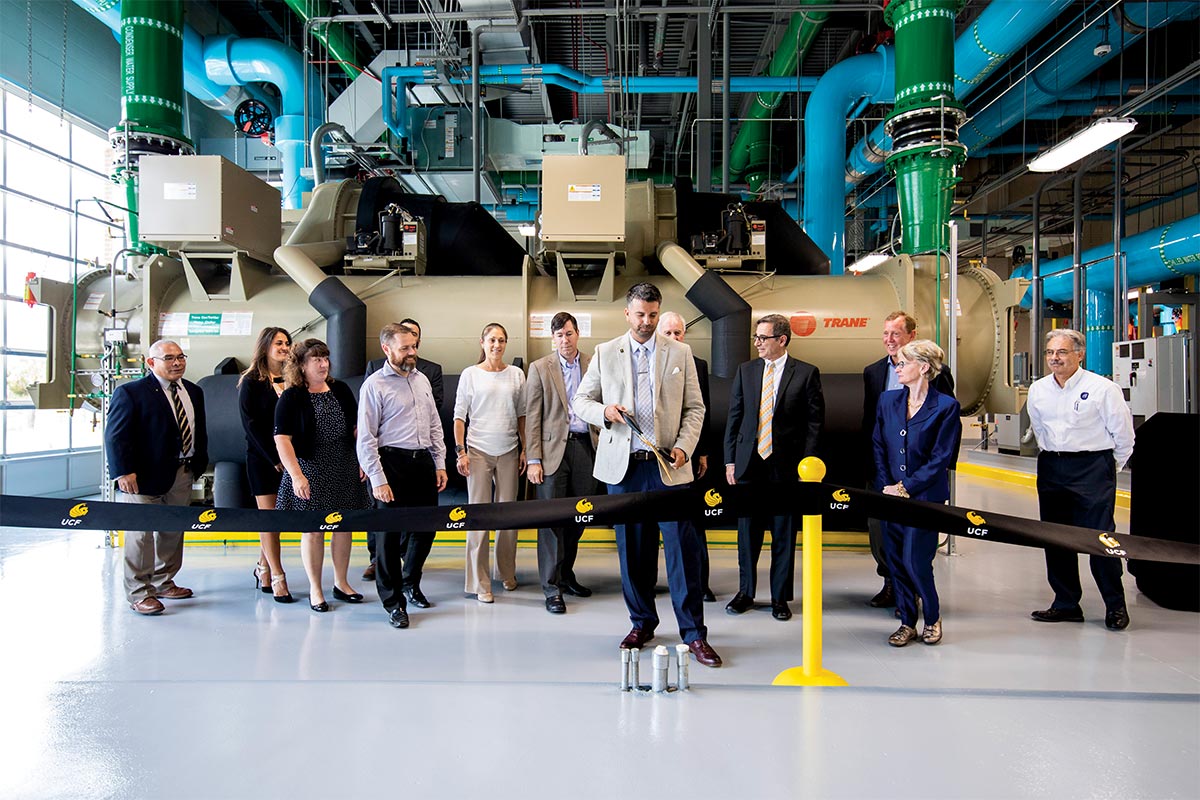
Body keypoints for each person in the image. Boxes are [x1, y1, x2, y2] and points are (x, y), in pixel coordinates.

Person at [572, 282, 721, 668]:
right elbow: (581, 401)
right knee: (633, 553)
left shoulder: (681, 352)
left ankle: (694, 635)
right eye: (640, 314)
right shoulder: (606, 353)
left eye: (653, 315)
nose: (646, 322)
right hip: (624, 471)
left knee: (682, 552)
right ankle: (642, 623)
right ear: (627, 313)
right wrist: (605, 412)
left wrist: (685, 447)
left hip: (669, 468)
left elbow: (695, 409)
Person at [1026, 329, 1135, 631]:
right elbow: (1039, 429)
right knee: (1055, 538)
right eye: (1050, 352)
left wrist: (1106, 468)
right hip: (1051, 466)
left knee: (1100, 539)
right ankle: (1066, 603)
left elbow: (1124, 436)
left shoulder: (1103, 389)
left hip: (1092, 468)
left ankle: (1115, 605)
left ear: (1079, 354)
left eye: (1061, 352)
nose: (1054, 358)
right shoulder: (1038, 390)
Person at [723, 313, 824, 621]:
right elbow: (735, 416)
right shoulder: (746, 371)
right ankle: (746, 592)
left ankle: (780, 597)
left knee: (783, 533)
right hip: (749, 464)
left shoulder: (806, 373)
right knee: (747, 533)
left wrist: (807, 465)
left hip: (787, 467)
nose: (757, 343)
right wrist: (730, 460)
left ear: (781, 340)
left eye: (762, 338)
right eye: (756, 337)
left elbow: (814, 424)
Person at [105, 339, 208, 616]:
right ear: (151, 363)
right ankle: (139, 592)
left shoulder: (195, 392)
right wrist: (123, 471)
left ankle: (164, 581)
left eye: (181, 357)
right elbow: (115, 436)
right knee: (141, 535)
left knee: (172, 530)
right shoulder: (131, 392)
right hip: (142, 476)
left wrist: (198, 463)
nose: (177, 362)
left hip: (182, 472)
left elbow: (199, 430)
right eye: (169, 358)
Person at [357, 323, 449, 629]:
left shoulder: (421, 379)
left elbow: (435, 425)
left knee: (426, 528)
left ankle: (411, 581)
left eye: (415, 346)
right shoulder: (374, 385)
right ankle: (393, 601)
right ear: (387, 349)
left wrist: (439, 463)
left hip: (422, 462)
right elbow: (366, 438)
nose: (413, 353)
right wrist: (377, 479)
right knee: (388, 538)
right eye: (405, 348)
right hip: (391, 464)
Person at [861, 311, 955, 610]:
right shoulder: (874, 372)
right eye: (885, 333)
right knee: (884, 537)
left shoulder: (940, 378)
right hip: (885, 473)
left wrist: (914, 482)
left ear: (912, 336)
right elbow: (872, 428)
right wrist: (885, 479)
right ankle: (893, 588)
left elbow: (944, 435)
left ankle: (925, 609)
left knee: (916, 549)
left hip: (922, 478)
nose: (889, 340)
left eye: (896, 334)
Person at [873, 339, 961, 647]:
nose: (897, 368)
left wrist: (905, 487)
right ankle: (907, 622)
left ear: (923, 367)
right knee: (896, 559)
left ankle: (933, 616)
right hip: (890, 496)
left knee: (916, 561)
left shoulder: (946, 408)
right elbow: (879, 445)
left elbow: (941, 458)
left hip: (924, 498)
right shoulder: (888, 401)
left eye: (903, 363)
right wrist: (887, 485)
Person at [273, 339, 369, 612]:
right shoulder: (292, 396)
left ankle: (341, 583)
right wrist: (297, 476)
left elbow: (355, 428)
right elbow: (282, 440)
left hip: (344, 464)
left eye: (325, 358)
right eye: (316, 359)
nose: (323, 364)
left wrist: (362, 459)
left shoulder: (340, 389)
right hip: (310, 467)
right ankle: (316, 588)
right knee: (313, 530)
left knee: (343, 527)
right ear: (301, 365)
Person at [525, 312, 598, 614]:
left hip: (585, 449)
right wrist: (533, 459)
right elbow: (532, 417)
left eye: (568, 334)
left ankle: (566, 575)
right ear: (552, 338)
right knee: (552, 522)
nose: (564, 341)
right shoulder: (540, 368)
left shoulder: (595, 363)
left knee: (578, 518)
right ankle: (551, 588)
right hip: (552, 453)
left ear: (577, 334)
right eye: (559, 336)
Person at [454, 322, 526, 603]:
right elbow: (459, 417)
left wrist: (524, 449)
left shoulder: (516, 375)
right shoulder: (470, 375)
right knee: (479, 517)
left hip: (508, 449)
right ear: (482, 343)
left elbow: (522, 415)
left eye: (502, 340)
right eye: (492, 340)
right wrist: (461, 452)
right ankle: (479, 581)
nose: (497, 345)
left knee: (509, 516)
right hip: (478, 451)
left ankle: (506, 572)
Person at [659, 311, 717, 602]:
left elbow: (700, 412)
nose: (674, 338)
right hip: (656, 457)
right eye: (668, 333)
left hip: (687, 455)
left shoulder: (697, 364)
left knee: (692, 523)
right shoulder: (648, 362)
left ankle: (700, 583)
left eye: (678, 333)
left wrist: (701, 453)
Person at [237, 326, 296, 603]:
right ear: (265, 347)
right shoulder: (250, 381)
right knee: (270, 518)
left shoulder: (293, 379)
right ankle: (277, 576)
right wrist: (274, 459)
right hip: (264, 460)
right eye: (278, 343)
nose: (284, 347)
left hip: (291, 459)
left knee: (278, 520)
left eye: (287, 343)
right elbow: (251, 426)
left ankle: (262, 566)